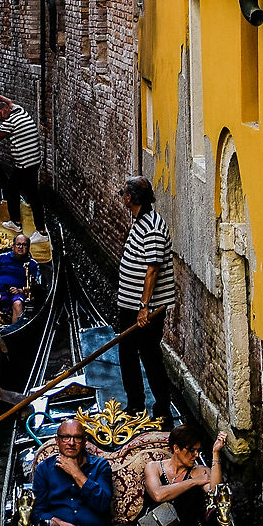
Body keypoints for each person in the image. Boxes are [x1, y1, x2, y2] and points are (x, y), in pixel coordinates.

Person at [116, 176, 176, 426]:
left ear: (130, 198)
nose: (122, 198)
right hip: (132, 306)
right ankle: (136, 405)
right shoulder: (141, 221)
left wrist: (143, 307)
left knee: (149, 357)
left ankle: (161, 410)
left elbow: (153, 269)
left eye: (123, 194)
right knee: (128, 353)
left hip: (144, 310)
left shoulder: (151, 227)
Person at [134, 421, 226, 526]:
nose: (196, 455)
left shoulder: (199, 471)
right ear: (176, 448)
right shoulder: (154, 467)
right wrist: (193, 482)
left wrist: (216, 453)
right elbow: (158, 495)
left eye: (198, 451)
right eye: (191, 450)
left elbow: (216, 492)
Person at [32, 413, 116, 526]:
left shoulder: (101, 466)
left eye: (77, 438)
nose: (71, 442)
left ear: (84, 441)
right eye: (66, 437)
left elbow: (103, 504)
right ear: (57, 440)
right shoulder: (43, 469)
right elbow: (38, 513)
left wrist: (76, 473)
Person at [0, 228, 38, 323]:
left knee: (17, 304)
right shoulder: (1, 258)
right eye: (18, 244)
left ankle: (14, 333)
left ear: (28, 247)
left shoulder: (32, 264)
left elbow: (34, 286)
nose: (20, 247)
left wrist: (20, 290)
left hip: (17, 296)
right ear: (13, 246)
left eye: (24, 245)